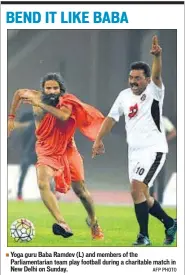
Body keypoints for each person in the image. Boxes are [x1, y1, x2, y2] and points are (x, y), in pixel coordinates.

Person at [92, 35, 177, 246]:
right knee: (142, 195)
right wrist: (98, 139)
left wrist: (157, 57)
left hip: (154, 149)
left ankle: (144, 236)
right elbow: (111, 118)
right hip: (135, 152)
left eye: (138, 78)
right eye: (131, 77)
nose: (133, 81)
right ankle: (169, 223)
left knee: (136, 190)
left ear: (147, 80)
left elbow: (157, 75)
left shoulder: (154, 91)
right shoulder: (123, 96)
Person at [8, 72, 104, 240]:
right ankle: (62, 223)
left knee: (80, 190)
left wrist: (40, 104)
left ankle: (94, 221)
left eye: (55, 88)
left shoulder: (66, 102)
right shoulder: (34, 96)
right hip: (45, 148)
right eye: (48, 88)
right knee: (42, 183)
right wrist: (11, 117)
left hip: (67, 148)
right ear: (42, 89)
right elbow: (17, 93)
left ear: (61, 90)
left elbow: (63, 116)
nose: (52, 91)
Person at [150, 116, 176, 203]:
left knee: (159, 176)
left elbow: (173, 132)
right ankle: (154, 199)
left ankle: (159, 200)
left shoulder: (163, 120)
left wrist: (165, 139)